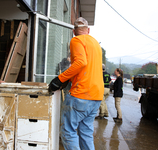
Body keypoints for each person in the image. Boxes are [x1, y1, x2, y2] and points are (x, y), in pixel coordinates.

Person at [48, 17, 104, 150]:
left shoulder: (76, 40)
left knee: (68, 132)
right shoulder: (95, 43)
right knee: (86, 132)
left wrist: (60, 79)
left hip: (81, 95)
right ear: (88, 30)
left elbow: (80, 63)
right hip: (96, 96)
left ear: (74, 31)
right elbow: (86, 67)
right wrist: (69, 78)